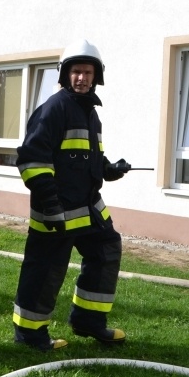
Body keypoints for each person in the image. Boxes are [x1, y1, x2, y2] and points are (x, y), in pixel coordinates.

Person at [12, 40, 129, 351]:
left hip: (88, 205)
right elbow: (31, 159)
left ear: (96, 76)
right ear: (65, 75)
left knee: (106, 250)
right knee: (46, 269)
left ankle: (89, 321)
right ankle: (29, 333)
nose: (82, 78)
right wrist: (49, 203)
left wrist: (108, 168)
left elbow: (83, 156)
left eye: (87, 72)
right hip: (57, 209)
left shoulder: (90, 112)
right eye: (76, 71)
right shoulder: (54, 109)